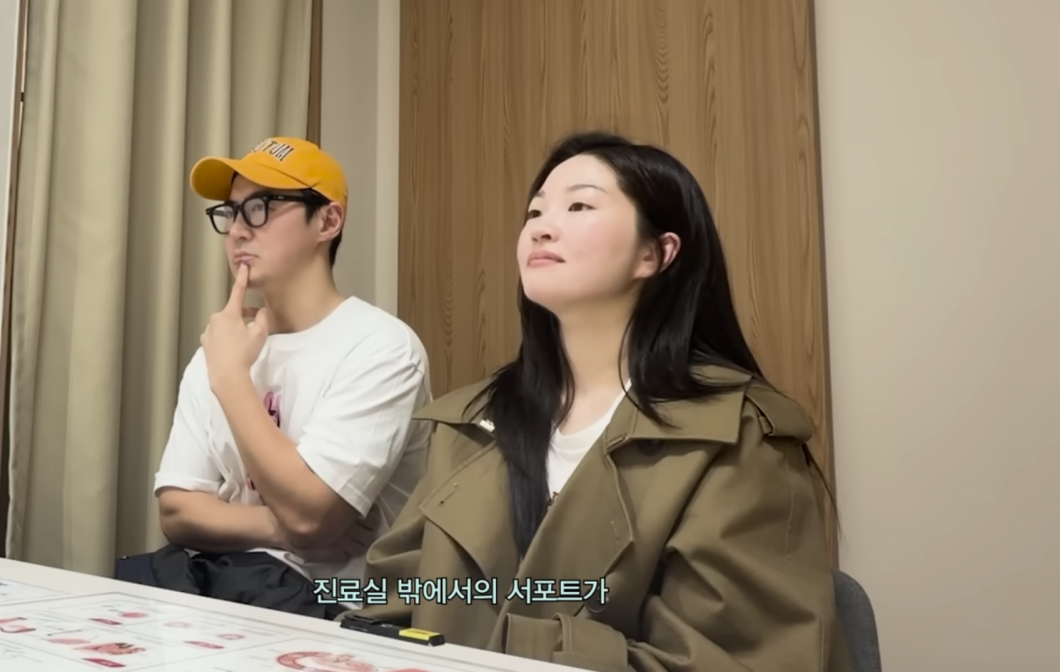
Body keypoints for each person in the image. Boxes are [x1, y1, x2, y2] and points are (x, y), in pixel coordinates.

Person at [359, 132, 848, 671]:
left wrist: (513, 648)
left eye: (579, 206)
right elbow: (390, 604)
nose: (541, 227)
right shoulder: (471, 422)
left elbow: (735, 658)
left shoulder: (737, 436)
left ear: (656, 253)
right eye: (535, 212)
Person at [148, 137, 432, 619]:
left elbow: (310, 514)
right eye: (231, 212)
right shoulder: (223, 346)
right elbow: (176, 511)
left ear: (328, 221)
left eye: (260, 208)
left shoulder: (382, 348)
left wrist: (231, 379)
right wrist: (276, 527)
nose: (238, 230)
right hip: (224, 602)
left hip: (337, 616)